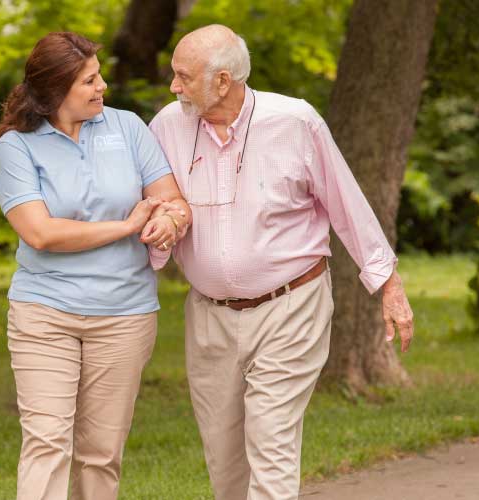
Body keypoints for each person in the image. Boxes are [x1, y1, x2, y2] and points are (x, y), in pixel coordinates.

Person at [146, 25, 416, 499]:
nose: (174, 87)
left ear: (224, 80)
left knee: (271, 441)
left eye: (184, 77)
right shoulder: (168, 125)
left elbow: (346, 203)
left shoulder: (295, 122)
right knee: (225, 457)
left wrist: (388, 285)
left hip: (290, 306)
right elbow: (151, 202)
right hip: (210, 315)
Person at [0, 32, 192, 500]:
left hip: (124, 315)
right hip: (45, 313)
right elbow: (41, 233)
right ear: (56, 90)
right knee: (46, 441)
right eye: (89, 79)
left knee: (101, 452)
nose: (102, 86)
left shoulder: (127, 128)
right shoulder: (17, 147)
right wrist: (124, 228)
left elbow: (171, 200)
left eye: (99, 75)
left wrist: (168, 219)